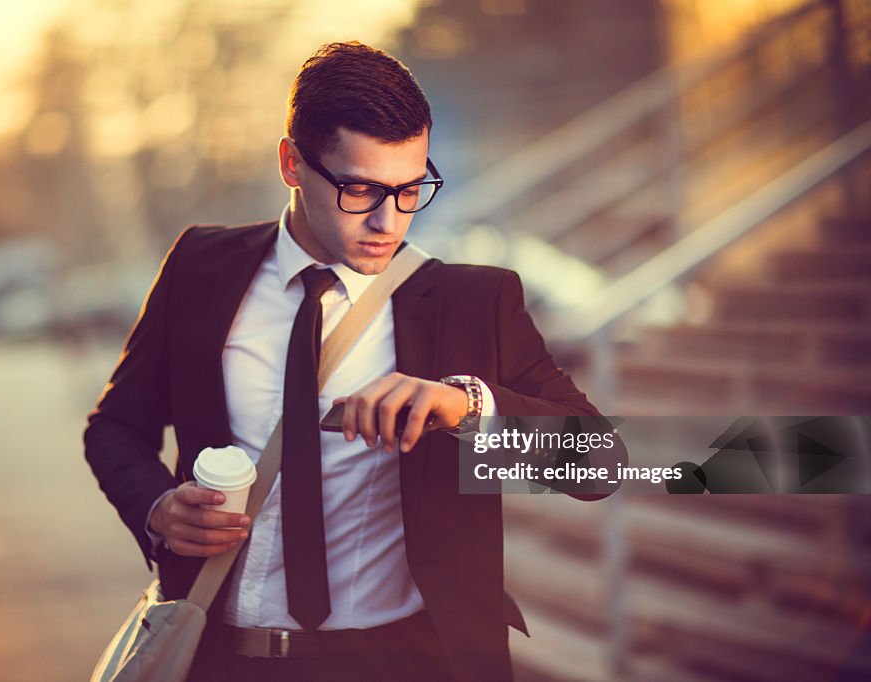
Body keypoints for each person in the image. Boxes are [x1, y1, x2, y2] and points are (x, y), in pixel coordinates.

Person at [84, 41, 599, 682]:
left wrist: (469, 407)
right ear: (291, 164)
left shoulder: (474, 301)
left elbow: (600, 464)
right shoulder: (199, 268)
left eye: (412, 189)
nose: (389, 221)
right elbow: (114, 427)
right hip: (226, 661)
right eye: (361, 190)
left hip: (411, 663)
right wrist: (158, 507)